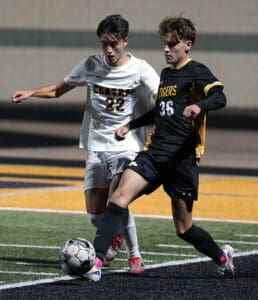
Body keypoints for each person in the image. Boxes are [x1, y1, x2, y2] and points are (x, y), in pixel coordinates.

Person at [86, 16, 234, 282]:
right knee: (118, 198)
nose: (166, 49)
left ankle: (222, 257)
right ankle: (96, 261)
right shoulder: (166, 75)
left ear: (187, 45)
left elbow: (220, 96)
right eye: (164, 44)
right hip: (154, 155)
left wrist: (199, 106)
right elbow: (161, 112)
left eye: (172, 45)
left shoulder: (197, 70)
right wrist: (131, 125)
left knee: (183, 228)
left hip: (182, 160)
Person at [11, 14, 160, 273]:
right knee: (94, 215)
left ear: (125, 41)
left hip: (125, 146)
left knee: (117, 200)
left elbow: (162, 97)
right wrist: (31, 92)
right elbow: (59, 89)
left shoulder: (141, 69)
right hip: (96, 145)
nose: (109, 49)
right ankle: (112, 235)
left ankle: (135, 255)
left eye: (114, 44)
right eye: (104, 44)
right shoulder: (91, 65)